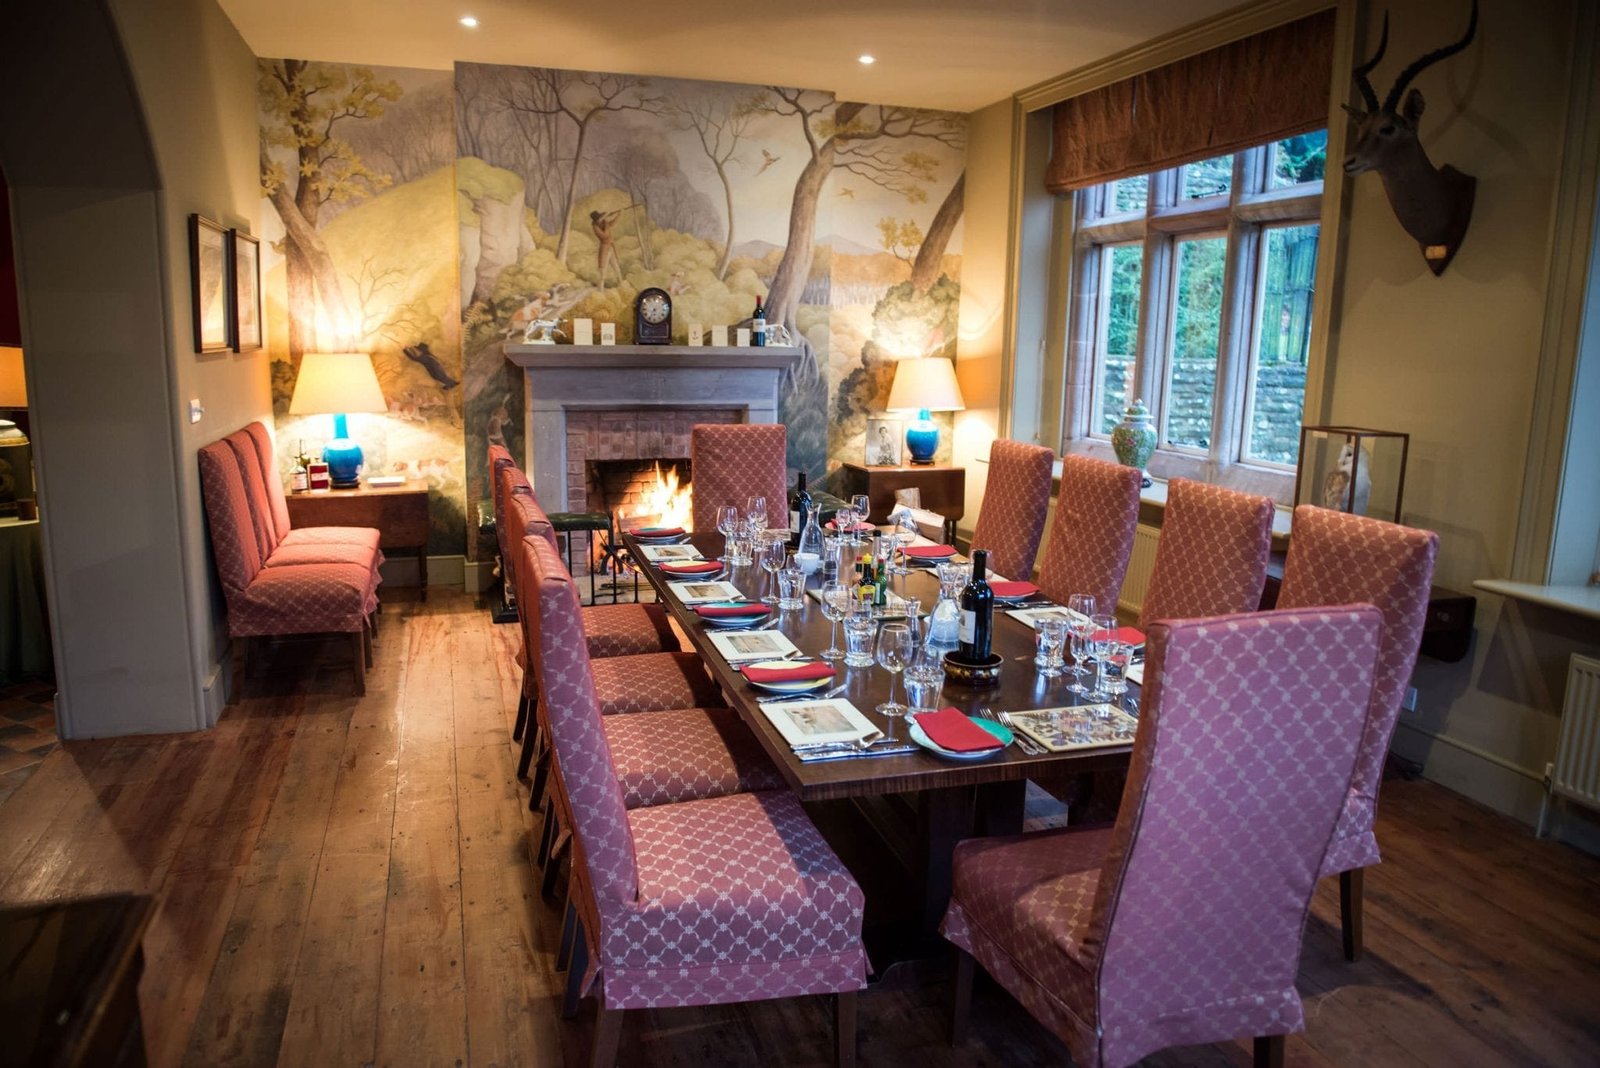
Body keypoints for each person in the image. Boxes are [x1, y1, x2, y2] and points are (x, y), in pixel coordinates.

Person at [590, 208, 625, 288]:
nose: (600, 219)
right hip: (605, 249)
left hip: (611, 248)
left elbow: (613, 223)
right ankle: (600, 288)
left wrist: (619, 214)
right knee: (603, 270)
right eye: (599, 218)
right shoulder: (595, 227)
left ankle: (622, 284)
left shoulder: (604, 223)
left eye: (600, 218)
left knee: (616, 268)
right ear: (596, 220)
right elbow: (604, 236)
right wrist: (606, 223)